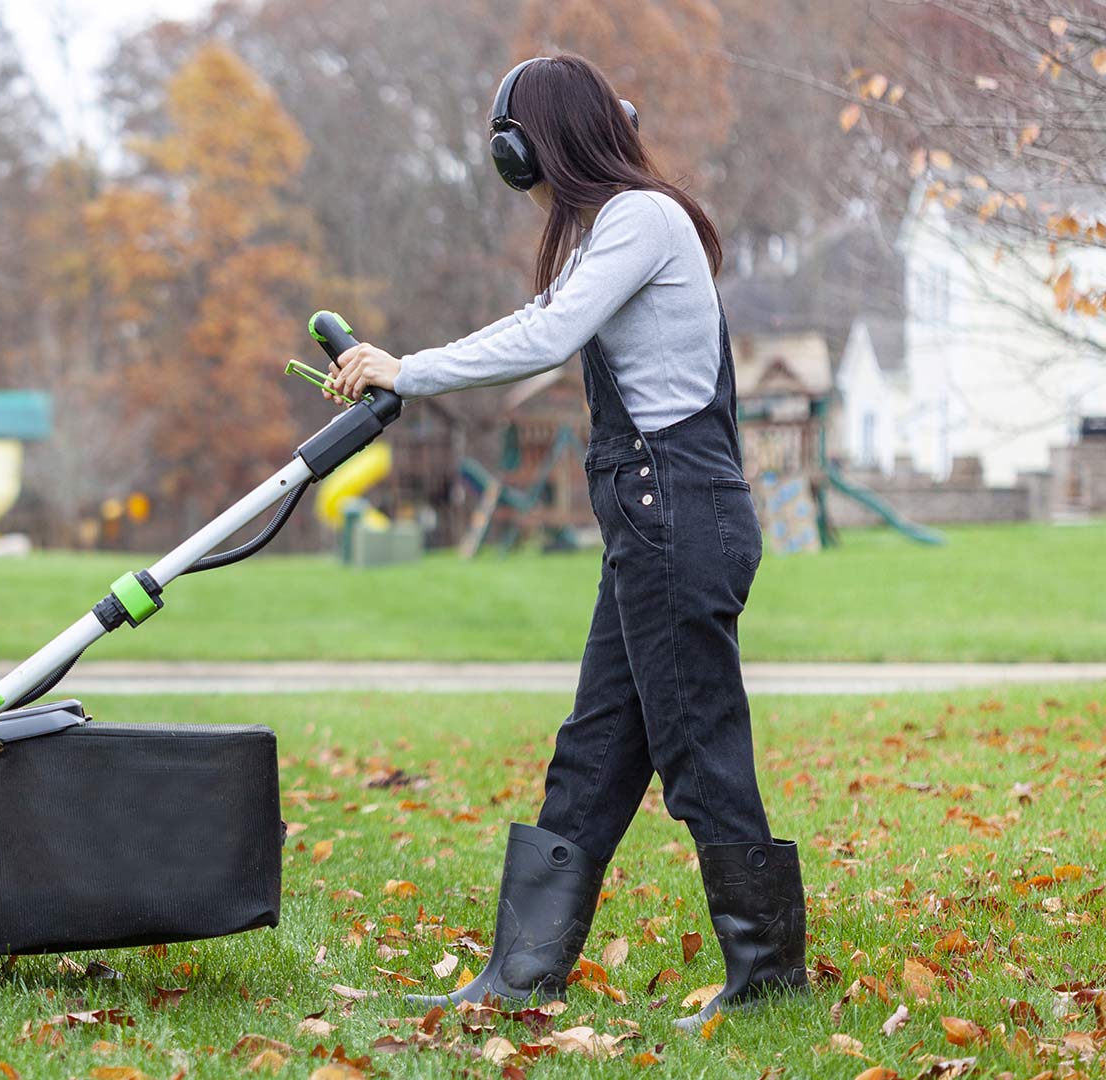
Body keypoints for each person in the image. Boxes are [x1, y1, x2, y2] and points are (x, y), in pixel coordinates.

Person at [324, 54, 807, 1030]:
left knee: (699, 749)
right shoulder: (613, 229)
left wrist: (406, 368)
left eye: (514, 153)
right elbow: (543, 326)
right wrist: (404, 372)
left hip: (677, 519)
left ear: (531, 147)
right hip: (652, 524)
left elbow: (546, 334)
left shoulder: (642, 219)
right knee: (593, 752)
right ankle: (523, 970)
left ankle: (768, 977)